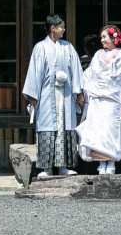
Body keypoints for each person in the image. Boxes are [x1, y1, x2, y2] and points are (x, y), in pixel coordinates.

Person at [22, 14, 84, 178]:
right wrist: (33, 97)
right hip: (46, 94)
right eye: (61, 27)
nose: (64, 30)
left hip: (65, 94)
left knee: (65, 128)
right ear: (52, 28)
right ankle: (47, 168)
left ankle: (64, 167)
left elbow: (76, 70)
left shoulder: (68, 47)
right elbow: (34, 74)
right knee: (48, 128)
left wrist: (79, 93)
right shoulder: (40, 48)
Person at [75, 25, 121, 175]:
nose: (102, 40)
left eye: (104, 37)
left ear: (113, 38)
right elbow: (89, 75)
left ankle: (111, 162)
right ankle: (101, 162)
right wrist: (83, 93)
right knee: (98, 130)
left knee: (112, 130)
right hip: (98, 98)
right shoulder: (98, 55)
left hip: (115, 99)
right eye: (101, 38)